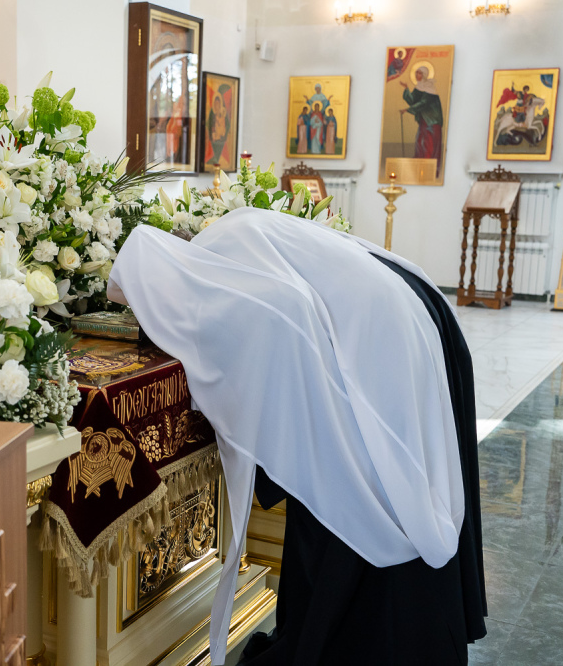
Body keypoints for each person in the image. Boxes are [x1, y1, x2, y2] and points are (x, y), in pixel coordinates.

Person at [108, 208, 486, 665]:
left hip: (377, 333)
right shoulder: (224, 235)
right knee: (393, 489)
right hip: (400, 312)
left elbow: (274, 324)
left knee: (365, 503)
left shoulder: (217, 256)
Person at [400, 65, 444, 176]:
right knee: (420, 142)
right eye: (416, 73)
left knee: (429, 145)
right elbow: (413, 101)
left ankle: (428, 170)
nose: (417, 75)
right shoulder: (419, 87)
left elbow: (423, 103)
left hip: (432, 122)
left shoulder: (430, 89)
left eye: (419, 73)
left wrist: (408, 110)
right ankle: (418, 169)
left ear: (424, 75)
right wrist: (406, 89)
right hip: (424, 121)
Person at [207, 91, 229, 167]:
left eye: (218, 104)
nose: (217, 105)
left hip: (221, 136)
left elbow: (225, 125)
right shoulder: (213, 115)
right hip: (215, 137)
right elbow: (211, 126)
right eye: (215, 104)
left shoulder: (222, 114)